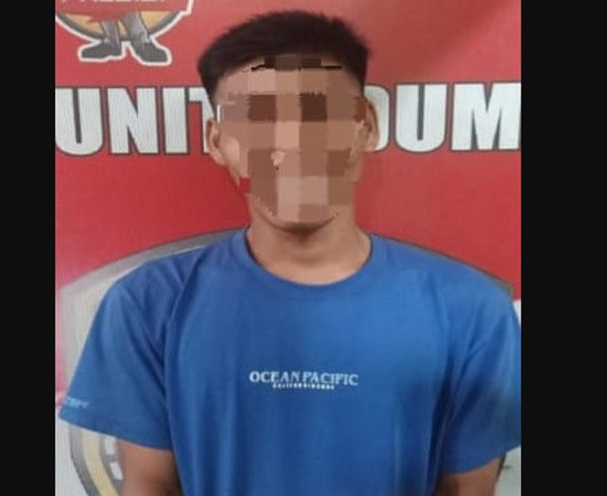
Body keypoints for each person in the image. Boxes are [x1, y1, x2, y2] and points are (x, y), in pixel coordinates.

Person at [58, 10, 521, 496]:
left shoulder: (471, 312)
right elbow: (149, 485)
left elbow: (467, 491)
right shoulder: (146, 305)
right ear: (218, 142)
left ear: (364, 124)